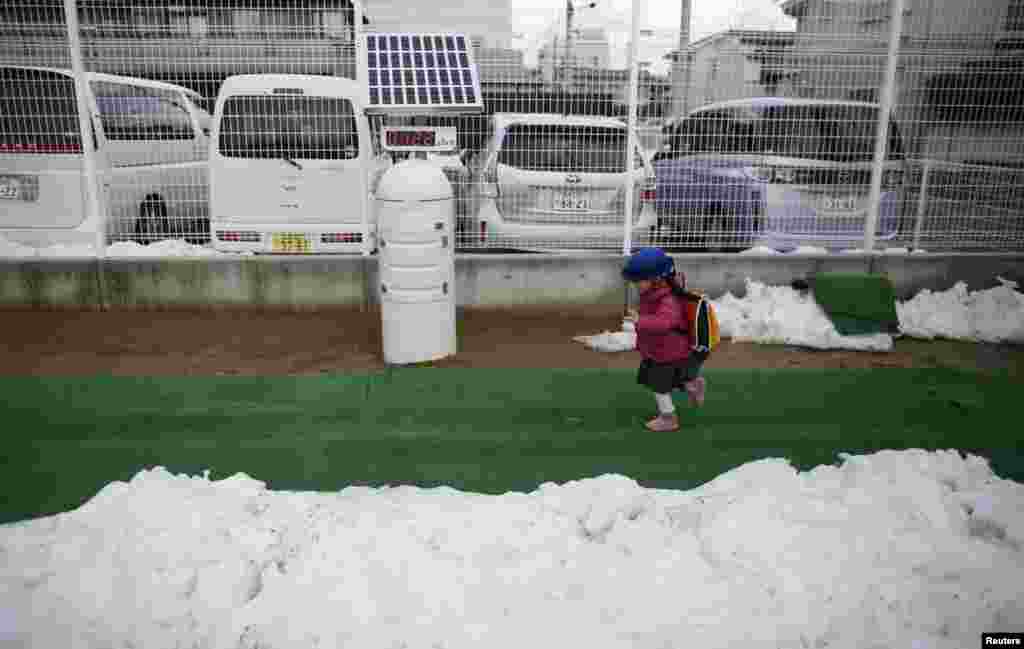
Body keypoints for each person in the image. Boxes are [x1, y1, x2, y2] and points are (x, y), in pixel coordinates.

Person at [622, 247, 708, 432]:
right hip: (660, 350)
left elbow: (664, 323)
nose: (636, 285)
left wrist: (640, 320)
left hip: (667, 352)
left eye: (639, 280)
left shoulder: (669, 299)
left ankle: (668, 417)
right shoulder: (654, 294)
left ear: (656, 279)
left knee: (659, 386)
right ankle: (693, 384)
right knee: (676, 378)